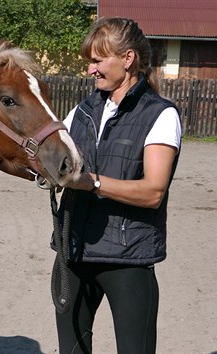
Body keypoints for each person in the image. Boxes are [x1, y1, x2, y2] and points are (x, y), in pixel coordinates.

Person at [52, 17, 182, 354]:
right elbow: (52, 159)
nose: (91, 69)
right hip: (74, 253)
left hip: (128, 259)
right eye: (90, 62)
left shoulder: (160, 115)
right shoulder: (81, 110)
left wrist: (91, 182)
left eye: (98, 60)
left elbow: (153, 191)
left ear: (127, 59)